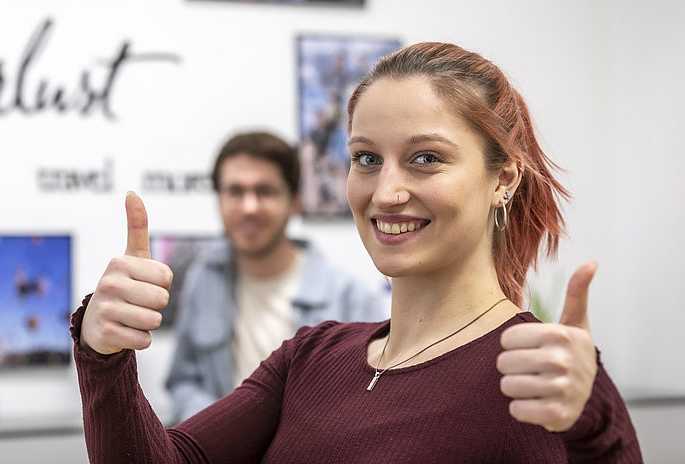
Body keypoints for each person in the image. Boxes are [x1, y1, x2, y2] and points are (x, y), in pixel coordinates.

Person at [71, 42, 642, 462]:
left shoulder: (530, 377)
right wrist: (104, 354)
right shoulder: (312, 357)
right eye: (367, 158)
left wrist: (596, 424)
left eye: (426, 158)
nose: (387, 192)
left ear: (503, 180)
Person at [165, 131, 389, 423]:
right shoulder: (203, 280)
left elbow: (370, 406)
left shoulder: (349, 297)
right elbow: (183, 382)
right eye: (235, 191)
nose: (249, 207)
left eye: (265, 191)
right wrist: (222, 427)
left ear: (294, 201)